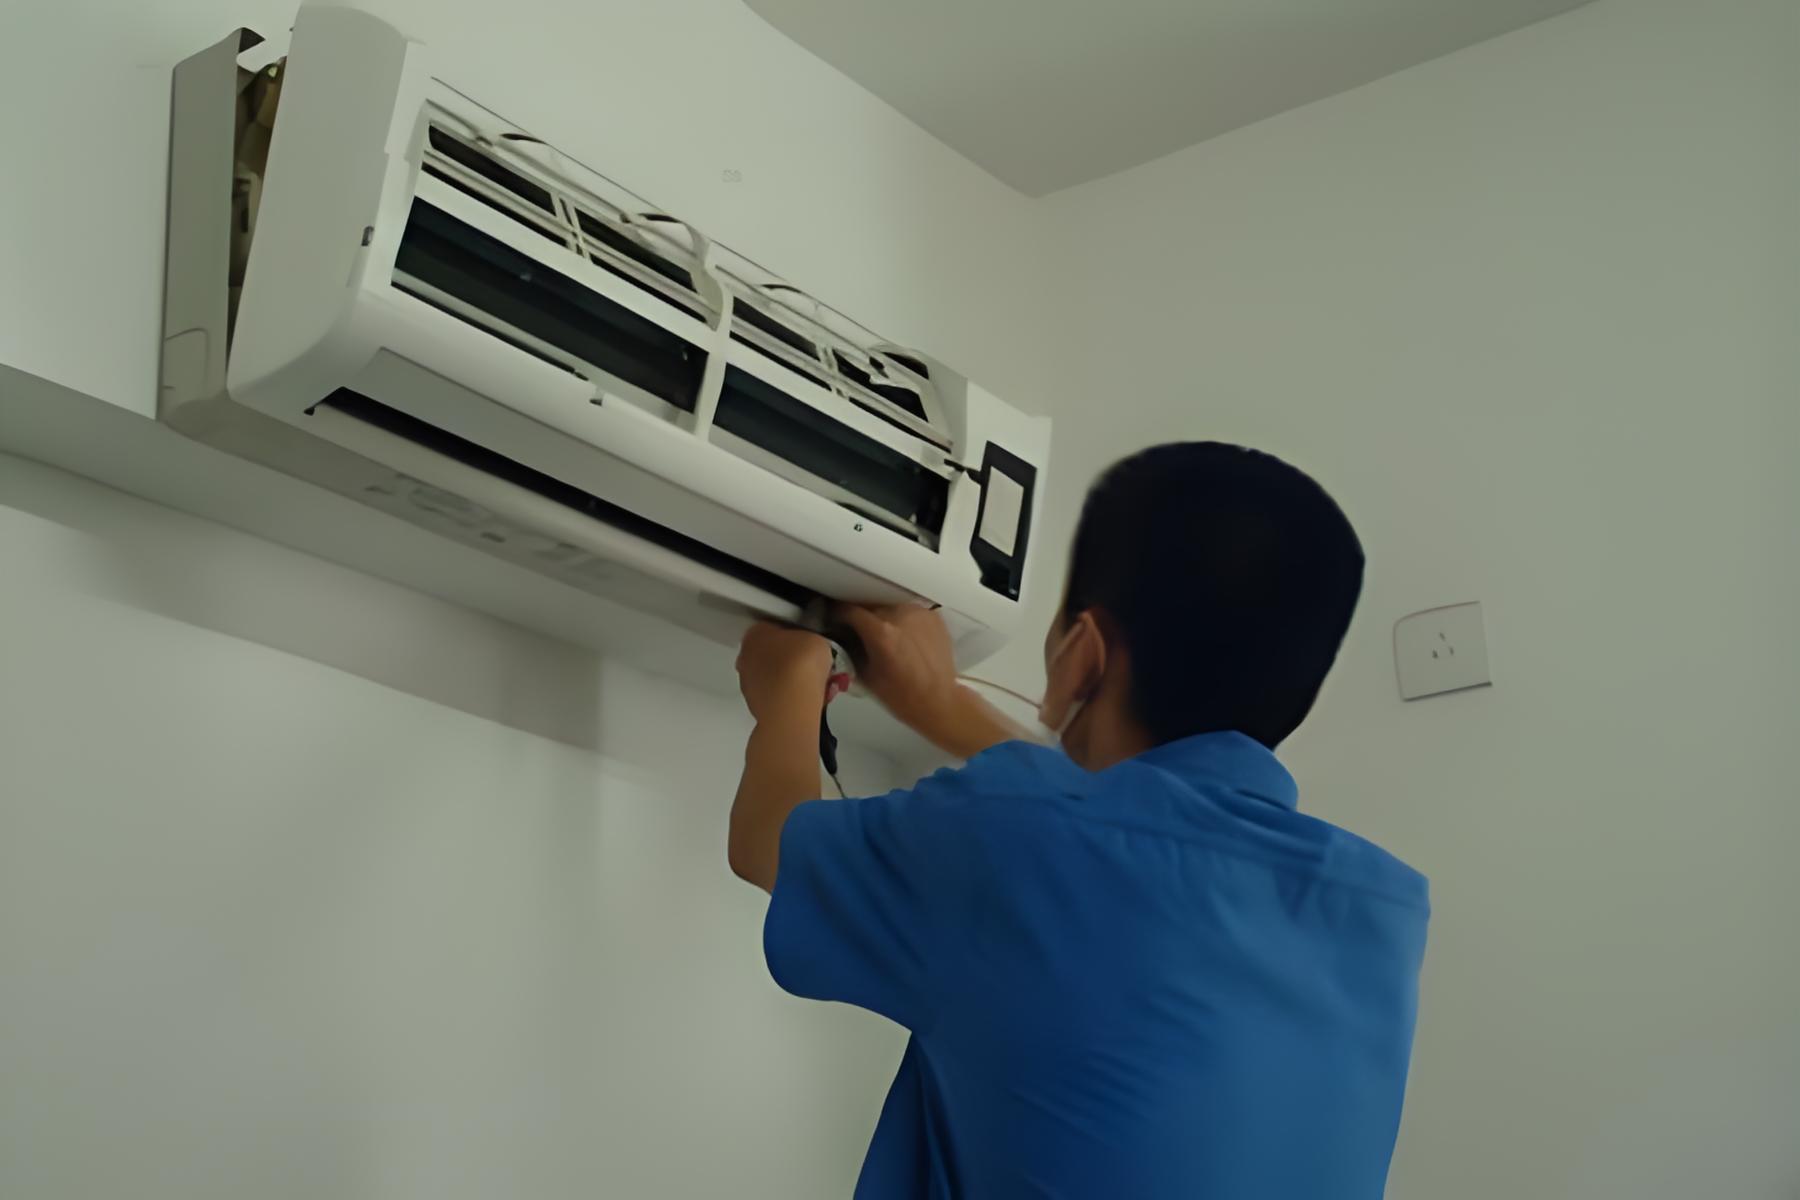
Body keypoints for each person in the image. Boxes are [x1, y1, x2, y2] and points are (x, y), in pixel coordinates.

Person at [728, 441, 1428, 1199]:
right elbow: (1114, 840)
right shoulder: (1377, 915)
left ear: (1081, 652)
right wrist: (942, 707)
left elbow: (768, 841)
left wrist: (788, 680)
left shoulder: (1013, 840)